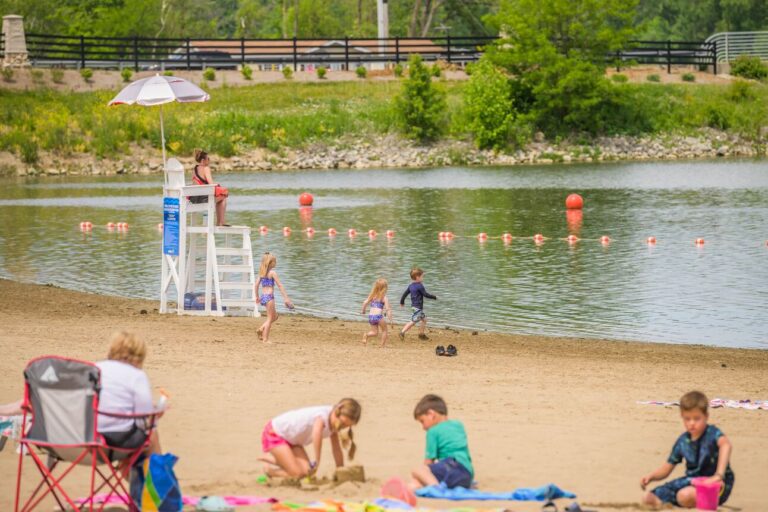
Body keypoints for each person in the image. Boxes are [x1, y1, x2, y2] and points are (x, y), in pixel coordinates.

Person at [640, 390, 734, 509]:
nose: (692, 423)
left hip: (716, 485)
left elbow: (726, 445)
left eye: (697, 418)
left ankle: (699, 502)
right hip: (692, 480)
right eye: (687, 419)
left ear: (706, 416)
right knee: (648, 498)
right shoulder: (683, 441)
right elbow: (667, 468)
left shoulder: (712, 433)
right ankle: (676, 504)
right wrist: (651, 477)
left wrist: (718, 475)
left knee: (684, 495)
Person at [96, 331, 163, 454]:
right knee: (151, 435)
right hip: (116, 440)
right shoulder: (137, 376)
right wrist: (154, 417)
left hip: (85, 437)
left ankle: (129, 466)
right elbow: (143, 421)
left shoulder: (94, 368)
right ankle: (157, 467)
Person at [259, 398, 361, 478]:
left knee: (307, 472)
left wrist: (340, 470)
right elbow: (316, 433)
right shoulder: (322, 416)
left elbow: (336, 449)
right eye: (342, 423)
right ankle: (270, 471)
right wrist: (316, 461)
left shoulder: (334, 423)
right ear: (337, 412)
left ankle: (283, 460)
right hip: (275, 433)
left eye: (345, 426)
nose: (341, 427)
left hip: (293, 441)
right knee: (297, 474)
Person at [410, 394, 473, 491]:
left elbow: (429, 461)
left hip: (452, 468)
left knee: (419, 471)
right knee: (421, 480)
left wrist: (424, 474)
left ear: (431, 414)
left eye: (422, 421)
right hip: (467, 475)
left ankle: (436, 488)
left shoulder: (433, 431)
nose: (423, 427)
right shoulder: (458, 425)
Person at [255, 252, 293, 344]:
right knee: (269, 319)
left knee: (275, 316)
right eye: (274, 261)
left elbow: (256, 285)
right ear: (270, 263)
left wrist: (257, 297)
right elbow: (280, 285)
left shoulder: (261, 273)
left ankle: (261, 329)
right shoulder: (272, 273)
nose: (276, 263)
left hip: (263, 297)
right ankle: (265, 339)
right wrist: (286, 298)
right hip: (270, 297)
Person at [192, 148, 229, 226]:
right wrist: (217, 185)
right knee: (224, 196)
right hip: (204, 199)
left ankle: (220, 222)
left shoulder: (194, 169)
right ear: (203, 160)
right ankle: (221, 222)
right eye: (208, 159)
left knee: (221, 197)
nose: (209, 160)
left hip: (195, 198)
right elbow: (211, 184)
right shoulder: (206, 168)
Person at [399, 267, 437, 340]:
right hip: (418, 308)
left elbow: (404, 294)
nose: (423, 278)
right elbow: (425, 294)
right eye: (422, 276)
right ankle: (402, 332)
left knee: (424, 320)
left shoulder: (410, 286)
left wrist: (402, 302)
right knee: (413, 321)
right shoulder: (420, 286)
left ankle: (421, 334)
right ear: (417, 277)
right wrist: (434, 297)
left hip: (414, 307)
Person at [361, 278, 393, 346]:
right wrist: (391, 320)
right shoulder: (384, 298)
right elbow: (388, 309)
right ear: (385, 288)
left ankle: (366, 335)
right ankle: (382, 345)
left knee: (374, 332)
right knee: (385, 330)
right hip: (378, 317)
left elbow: (364, 303)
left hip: (371, 317)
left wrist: (363, 311)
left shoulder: (372, 296)